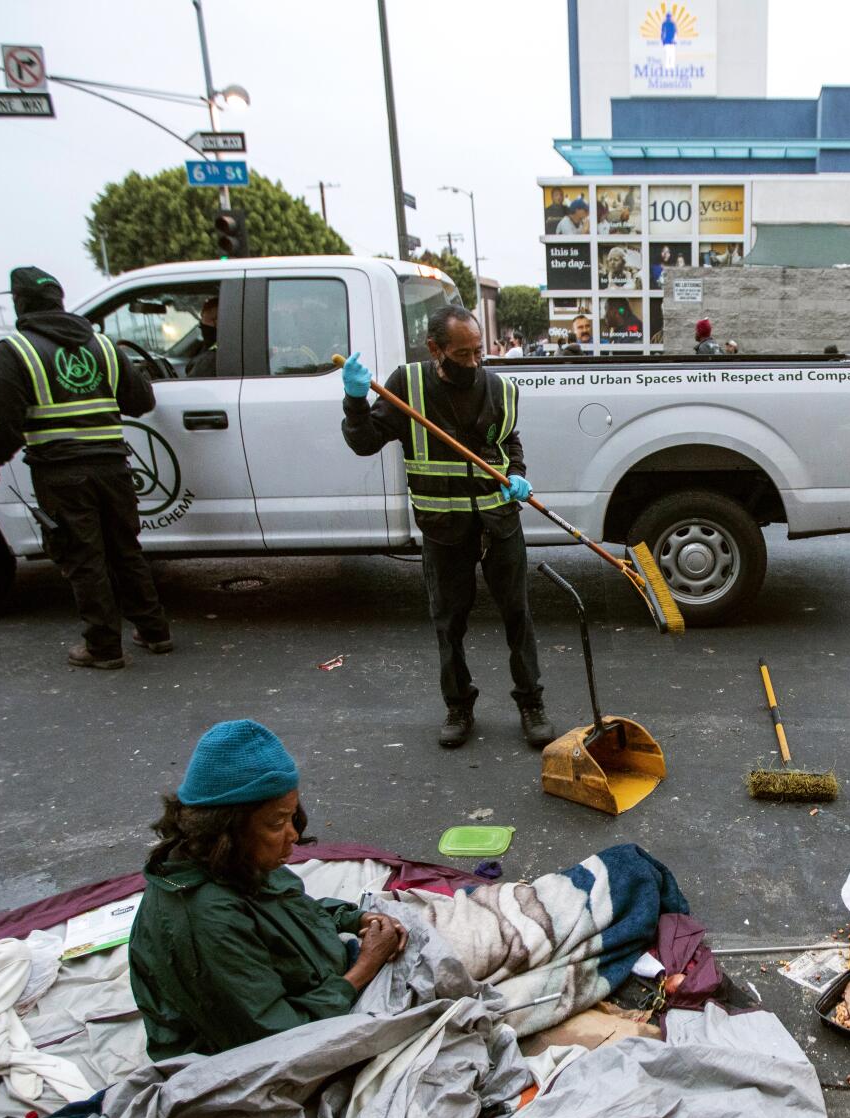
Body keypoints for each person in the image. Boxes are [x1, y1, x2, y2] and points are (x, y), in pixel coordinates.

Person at [339, 307, 557, 749]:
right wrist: (355, 402)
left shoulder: (498, 387)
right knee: (449, 623)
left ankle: (531, 703)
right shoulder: (407, 386)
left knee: (518, 616)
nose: (475, 362)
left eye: (479, 351)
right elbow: (364, 443)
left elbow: (508, 441)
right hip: (443, 527)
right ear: (435, 349)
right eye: (463, 353)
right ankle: (458, 706)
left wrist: (516, 472)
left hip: (499, 521)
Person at [128, 720, 408, 1059]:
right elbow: (276, 1039)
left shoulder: (236, 862)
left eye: (292, 817)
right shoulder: (207, 920)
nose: (292, 834)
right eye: (277, 823)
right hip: (242, 1056)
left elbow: (288, 908)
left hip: (316, 991)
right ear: (225, 830)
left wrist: (355, 918)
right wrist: (365, 966)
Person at [0, 266, 171, 670]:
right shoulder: (102, 345)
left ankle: (103, 648)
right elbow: (140, 401)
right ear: (60, 301)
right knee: (125, 549)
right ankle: (154, 631)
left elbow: (2, 419)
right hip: (113, 467)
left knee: (84, 558)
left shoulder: (17, 352)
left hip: (60, 472)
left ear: (21, 304)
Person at [184, 296, 219, 377]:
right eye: (202, 320)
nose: (202, 325)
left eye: (212, 320)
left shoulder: (211, 359)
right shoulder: (206, 348)